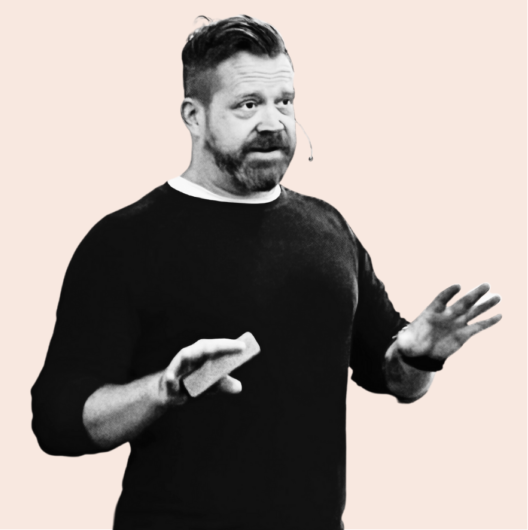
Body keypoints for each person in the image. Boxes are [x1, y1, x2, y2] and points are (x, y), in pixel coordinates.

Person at [30, 14, 502, 530]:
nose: (274, 123)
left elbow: (397, 381)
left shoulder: (328, 229)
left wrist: (422, 355)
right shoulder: (124, 243)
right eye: (248, 105)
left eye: (285, 101)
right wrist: (162, 390)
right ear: (193, 116)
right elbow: (57, 424)